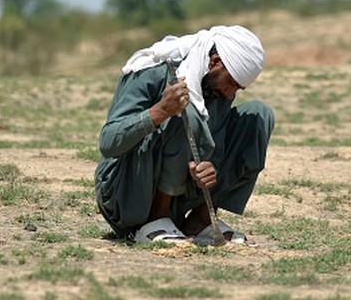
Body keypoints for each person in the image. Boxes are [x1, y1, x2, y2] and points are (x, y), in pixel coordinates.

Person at [94, 25, 274, 245]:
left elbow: (214, 146)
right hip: (127, 192)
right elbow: (108, 143)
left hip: (181, 196)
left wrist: (210, 170)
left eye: (237, 89)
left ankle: (202, 220)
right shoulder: (152, 70)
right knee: (185, 108)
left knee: (258, 115)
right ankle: (156, 218)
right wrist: (160, 111)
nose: (230, 94)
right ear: (215, 62)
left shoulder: (216, 89)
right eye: (232, 84)